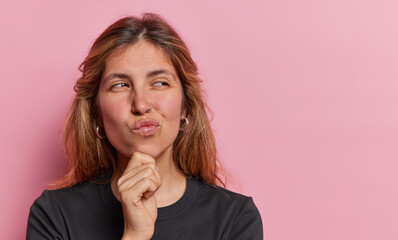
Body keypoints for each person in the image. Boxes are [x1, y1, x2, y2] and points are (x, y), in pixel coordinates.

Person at [27, 13, 263, 240]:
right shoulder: (53, 215)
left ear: (185, 107)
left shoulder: (235, 218)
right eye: (120, 85)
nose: (140, 104)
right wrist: (135, 235)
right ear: (96, 113)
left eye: (160, 83)